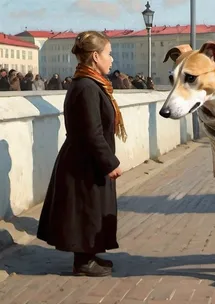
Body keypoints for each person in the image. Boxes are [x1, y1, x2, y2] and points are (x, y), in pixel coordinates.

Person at [37, 30, 128, 277]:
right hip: (83, 163)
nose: (112, 59)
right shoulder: (87, 86)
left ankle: (90, 254)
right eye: (109, 54)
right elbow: (92, 132)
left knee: (91, 209)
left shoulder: (90, 83)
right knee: (85, 210)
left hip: (86, 160)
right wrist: (110, 162)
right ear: (96, 56)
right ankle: (83, 262)